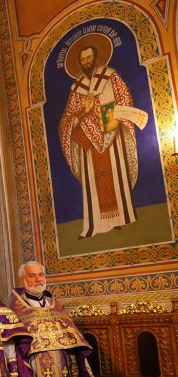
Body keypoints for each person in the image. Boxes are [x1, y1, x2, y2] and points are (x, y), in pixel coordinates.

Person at [58, 37, 148, 238]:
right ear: (80, 63)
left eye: (89, 57)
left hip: (111, 134)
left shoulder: (110, 76)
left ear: (96, 57)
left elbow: (124, 97)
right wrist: (84, 110)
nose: (87, 62)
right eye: (83, 60)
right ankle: (94, 225)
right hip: (88, 142)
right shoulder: (76, 88)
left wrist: (115, 117)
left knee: (116, 174)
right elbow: (68, 119)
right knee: (92, 181)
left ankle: (121, 218)